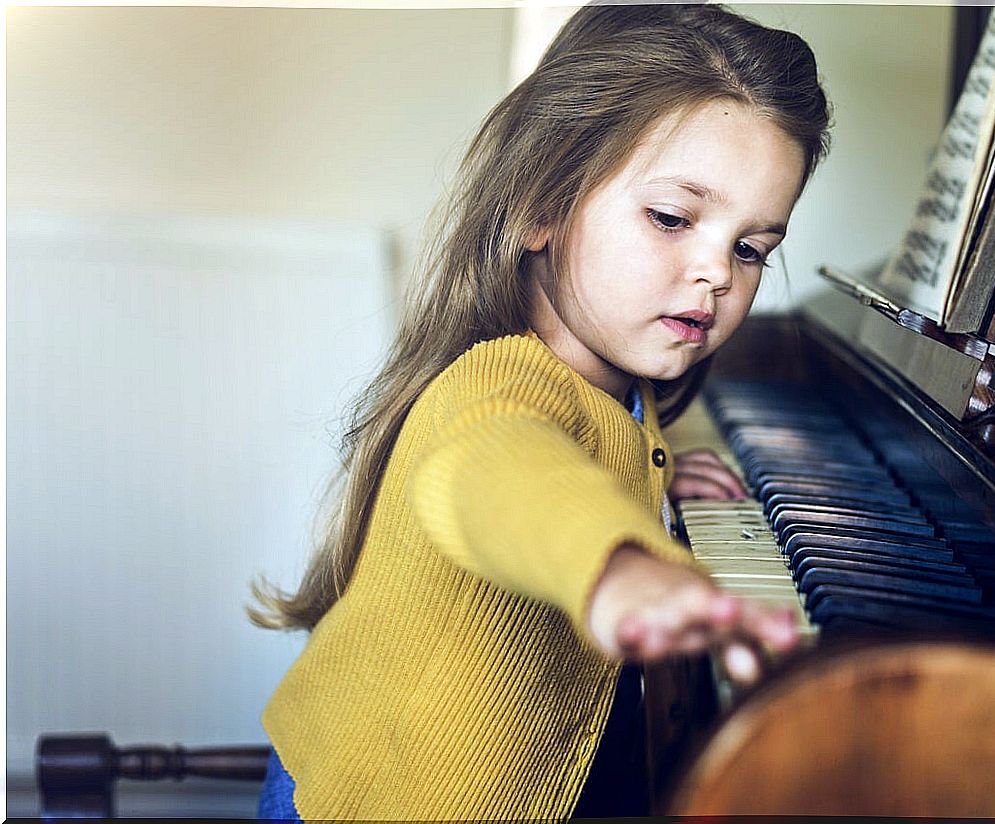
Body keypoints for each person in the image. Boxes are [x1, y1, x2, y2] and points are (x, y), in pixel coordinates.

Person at [250, 3, 830, 818]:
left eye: (750, 248)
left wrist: (651, 483)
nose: (716, 274)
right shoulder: (494, 390)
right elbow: (502, 474)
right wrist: (621, 568)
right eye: (672, 218)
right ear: (540, 208)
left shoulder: (618, 378)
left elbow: (596, 450)